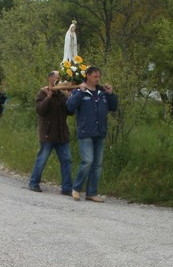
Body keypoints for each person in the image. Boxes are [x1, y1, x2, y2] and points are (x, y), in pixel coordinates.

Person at [66, 66, 118, 202]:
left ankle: (91, 192)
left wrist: (111, 94)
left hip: (100, 132)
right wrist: (80, 93)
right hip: (86, 131)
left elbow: (113, 107)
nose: (97, 79)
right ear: (88, 76)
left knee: (97, 164)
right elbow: (70, 107)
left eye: (98, 76)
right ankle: (76, 188)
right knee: (87, 161)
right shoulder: (80, 91)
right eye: (95, 76)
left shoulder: (101, 92)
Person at [28, 71, 73, 194]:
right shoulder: (42, 92)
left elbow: (70, 112)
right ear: (50, 78)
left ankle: (67, 187)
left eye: (61, 79)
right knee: (42, 159)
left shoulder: (62, 95)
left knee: (67, 160)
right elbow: (40, 110)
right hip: (48, 133)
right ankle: (33, 182)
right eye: (58, 78)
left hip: (61, 133)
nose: (60, 80)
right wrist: (48, 97)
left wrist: (70, 98)